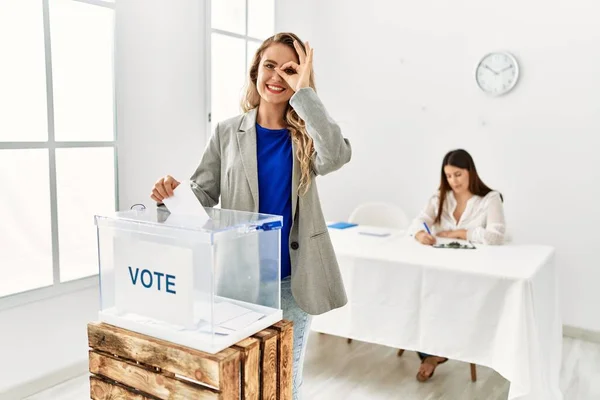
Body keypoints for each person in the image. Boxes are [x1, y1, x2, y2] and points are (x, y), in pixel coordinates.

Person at [151, 32, 351, 399]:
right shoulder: (228, 132)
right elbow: (204, 192)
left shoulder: (307, 134)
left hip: (293, 281)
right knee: (241, 379)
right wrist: (173, 194)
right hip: (238, 280)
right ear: (255, 71)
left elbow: (336, 156)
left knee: (284, 381)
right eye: (269, 65)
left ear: (301, 78)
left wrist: (305, 93)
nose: (276, 76)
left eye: (289, 70)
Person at [408, 148, 506, 382]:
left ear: (470, 171)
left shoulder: (490, 198)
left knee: (447, 299)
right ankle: (431, 353)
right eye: (449, 176)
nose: (453, 181)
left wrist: (460, 232)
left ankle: (437, 353)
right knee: (419, 295)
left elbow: (496, 235)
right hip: (439, 266)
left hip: (473, 271)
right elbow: (418, 220)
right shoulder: (441, 195)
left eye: (458, 175)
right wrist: (420, 234)